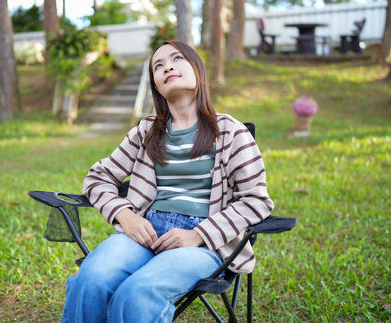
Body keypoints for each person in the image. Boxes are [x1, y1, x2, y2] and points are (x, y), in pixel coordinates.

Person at [61, 40, 274, 323]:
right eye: (157, 66)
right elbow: (98, 177)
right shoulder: (146, 132)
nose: (167, 67)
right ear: (157, 87)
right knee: (91, 278)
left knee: (138, 292)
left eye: (177, 59)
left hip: (203, 244)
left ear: (198, 70)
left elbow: (256, 199)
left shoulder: (231, 132)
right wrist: (125, 216)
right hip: (144, 231)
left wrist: (198, 235)